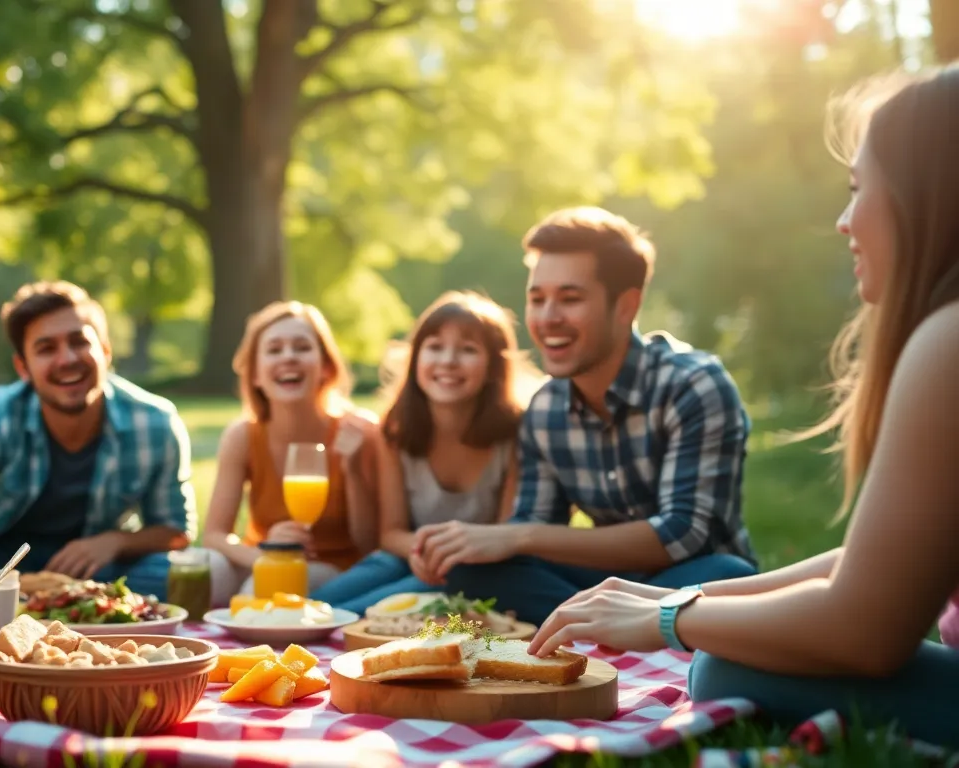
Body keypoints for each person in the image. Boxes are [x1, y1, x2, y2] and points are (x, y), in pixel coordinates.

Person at [526, 67, 959, 748]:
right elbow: (877, 569)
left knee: (724, 664)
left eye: (857, 191)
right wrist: (671, 604)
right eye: (538, 297)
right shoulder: (545, 407)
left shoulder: (948, 341)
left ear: (927, 198)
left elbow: (866, 626)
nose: (844, 221)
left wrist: (675, 616)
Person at [414, 207, 759, 625]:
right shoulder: (544, 408)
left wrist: (518, 535)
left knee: (727, 574)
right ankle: (607, 625)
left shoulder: (693, 385)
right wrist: (477, 543)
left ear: (626, 306)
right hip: (605, 581)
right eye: (538, 299)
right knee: (473, 570)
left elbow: (684, 532)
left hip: (692, 578)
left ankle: (597, 622)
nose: (547, 318)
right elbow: (535, 523)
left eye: (570, 298)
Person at [0, 281, 196, 599]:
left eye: (79, 342)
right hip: (1, 564)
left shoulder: (155, 422)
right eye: (46, 348)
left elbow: (176, 531)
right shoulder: (3, 415)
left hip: (94, 569)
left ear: (105, 350)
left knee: (188, 573)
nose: (67, 359)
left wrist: (113, 542)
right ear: (23, 367)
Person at [310, 291, 545, 614]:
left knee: (347, 616)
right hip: (409, 556)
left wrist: (448, 555)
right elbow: (390, 533)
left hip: (475, 570)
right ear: (415, 359)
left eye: (467, 350)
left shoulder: (515, 434)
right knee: (318, 605)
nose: (448, 360)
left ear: (494, 366)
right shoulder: (394, 431)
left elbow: (507, 532)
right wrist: (424, 551)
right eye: (434, 347)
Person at [202, 301, 382, 607]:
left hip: (332, 569)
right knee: (207, 565)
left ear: (326, 367)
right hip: (263, 556)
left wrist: (352, 469)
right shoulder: (243, 436)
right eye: (274, 350)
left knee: (257, 592)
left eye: (301, 347)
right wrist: (265, 554)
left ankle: (256, 647)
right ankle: (197, 644)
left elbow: (369, 545)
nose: (288, 357)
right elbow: (215, 535)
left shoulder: (358, 431)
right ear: (255, 374)